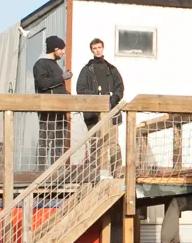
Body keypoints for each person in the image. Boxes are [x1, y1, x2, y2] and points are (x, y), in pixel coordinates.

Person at [31, 35, 71, 164]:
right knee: (45, 141)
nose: (63, 52)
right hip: (48, 110)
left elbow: (55, 86)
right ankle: (40, 172)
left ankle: (57, 173)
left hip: (60, 110)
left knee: (59, 144)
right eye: (61, 49)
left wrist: (66, 94)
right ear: (55, 49)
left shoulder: (55, 65)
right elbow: (43, 84)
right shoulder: (41, 63)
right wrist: (62, 78)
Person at [74, 39, 125, 129]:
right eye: (95, 48)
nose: (97, 50)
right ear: (92, 50)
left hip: (111, 111)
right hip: (92, 113)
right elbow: (80, 89)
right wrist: (97, 95)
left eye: (99, 47)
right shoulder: (86, 70)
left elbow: (120, 86)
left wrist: (115, 98)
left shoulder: (112, 69)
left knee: (110, 141)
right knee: (95, 141)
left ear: (103, 48)